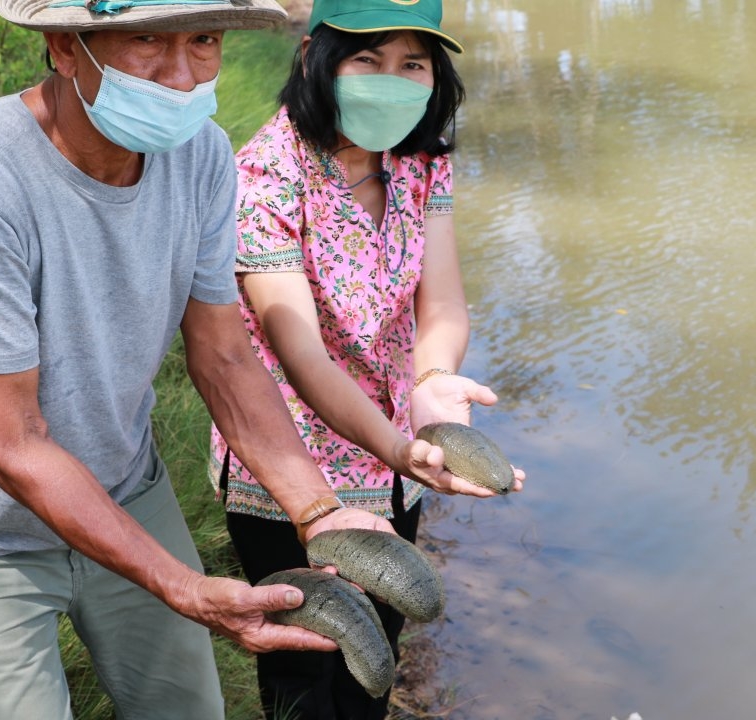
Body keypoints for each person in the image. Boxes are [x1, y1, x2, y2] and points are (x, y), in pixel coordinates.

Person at [0, 0, 400, 717]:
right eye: (146, 38)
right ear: (64, 46)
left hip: (122, 482)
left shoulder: (204, 157)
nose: (181, 75)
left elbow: (224, 358)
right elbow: (11, 444)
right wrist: (183, 586)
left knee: (187, 708)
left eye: (203, 40)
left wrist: (317, 509)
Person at [208, 0, 526, 716]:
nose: (393, 80)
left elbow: (440, 306)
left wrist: (433, 381)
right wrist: (398, 444)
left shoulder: (419, 160)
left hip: (393, 457)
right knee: (308, 665)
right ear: (315, 58)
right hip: (290, 467)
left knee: (376, 657)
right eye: (367, 59)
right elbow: (302, 354)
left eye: (412, 63)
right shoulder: (263, 175)